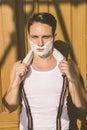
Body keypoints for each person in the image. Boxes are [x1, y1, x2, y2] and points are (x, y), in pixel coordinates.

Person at [2, 12, 87, 130]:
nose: (40, 43)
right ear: (28, 36)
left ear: (54, 37)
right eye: (35, 37)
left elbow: (83, 108)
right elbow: (8, 108)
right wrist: (16, 83)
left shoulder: (67, 66)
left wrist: (74, 81)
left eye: (45, 37)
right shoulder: (19, 66)